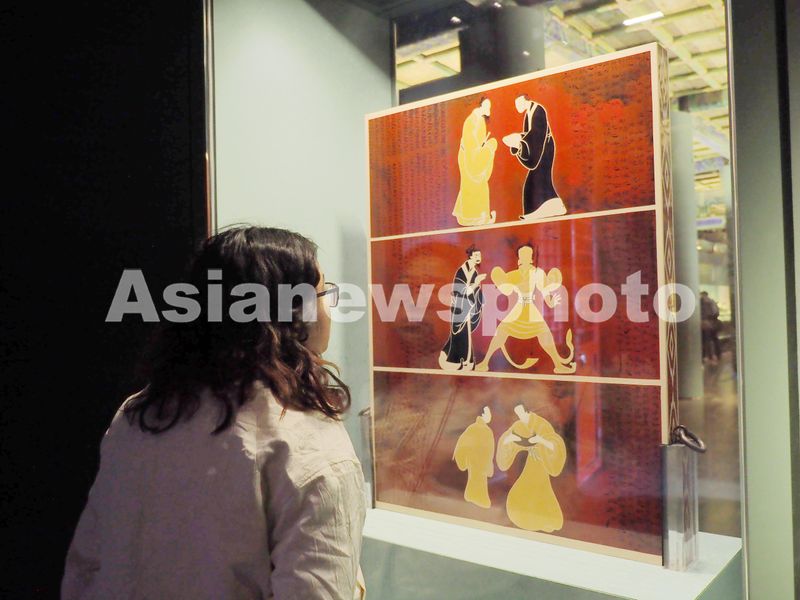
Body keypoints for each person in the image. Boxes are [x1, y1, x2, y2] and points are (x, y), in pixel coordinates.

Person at [62, 226, 367, 600]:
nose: (329, 308)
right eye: (324, 293)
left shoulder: (139, 415)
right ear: (292, 315)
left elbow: (86, 570)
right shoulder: (308, 440)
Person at [475, 243, 575, 374]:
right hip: (518, 310)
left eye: (527, 255)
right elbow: (504, 287)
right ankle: (484, 362)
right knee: (501, 332)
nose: (524, 257)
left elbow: (546, 294)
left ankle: (558, 364)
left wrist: (552, 302)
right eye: (522, 255)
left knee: (545, 334)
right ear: (519, 258)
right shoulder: (514, 275)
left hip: (531, 311)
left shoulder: (538, 274)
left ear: (531, 257)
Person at [496, 404, 566, 532]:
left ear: (527, 412)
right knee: (523, 488)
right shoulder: (519, 425)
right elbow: (510, 437)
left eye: (521, 413)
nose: (520, 416)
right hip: (527, 462)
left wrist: (541, 441)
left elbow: (554, 441)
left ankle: (544, 520)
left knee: (540, 489)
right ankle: (524, 519)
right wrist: (509, 439)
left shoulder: (541, 424)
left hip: (540, 462)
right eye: (518, 414)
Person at [502, 94, 567, 220]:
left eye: (518, 104)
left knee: (537, 181)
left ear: (525, 101)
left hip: (544, 148)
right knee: (541, 181)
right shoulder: (528, 113)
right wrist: (518, 139)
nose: (517, 107)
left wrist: (519, 142)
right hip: (538, 148)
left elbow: (537, 136)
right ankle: (556, 206)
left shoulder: (538, 111)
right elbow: (529, 135)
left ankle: (539, 211)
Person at [438, 244, 486, 371]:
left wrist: (480, 299)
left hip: (469, 307)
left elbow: (475, 291)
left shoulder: (474, 272)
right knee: (460, 335)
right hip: (459, 308)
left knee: (464, 335)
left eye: (479, 255)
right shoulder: (461, 271)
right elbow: (460, 291)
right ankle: (460, 361)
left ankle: (464, 361)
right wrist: (476, 283)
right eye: (476, 255)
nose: (479, 257)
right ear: (470, 256)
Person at [452, 97, 498, 226]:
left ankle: (468, 216)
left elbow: (478, 144)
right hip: (469, 157)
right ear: (480, 105)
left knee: (472, 185)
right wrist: (488, 148)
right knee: (474, 184)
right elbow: (471, 147)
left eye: (489, 106)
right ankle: (474, 218)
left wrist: (483, 147)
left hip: (474, 155)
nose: (488, 109)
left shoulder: (480, 120)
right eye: (486, 106)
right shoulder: (471, 121)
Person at [700, 290, 721, 364]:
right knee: (714, 340)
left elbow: (703, 314)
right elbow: (716, 313)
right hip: (712, 324)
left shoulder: (703, 303)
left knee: (706, 340)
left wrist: (707, 320)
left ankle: (708, 357)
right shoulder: (712, 301)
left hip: (706, 324)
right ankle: (717, 355)